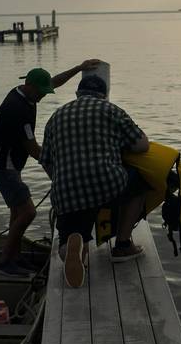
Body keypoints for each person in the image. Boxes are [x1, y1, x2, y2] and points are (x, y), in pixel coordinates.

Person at [0, 59, 100, 277]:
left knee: (17, 212)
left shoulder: (26, 93)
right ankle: (3, 263)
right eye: (41, 92)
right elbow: (33, 148)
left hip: (10, 163)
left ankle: (14, 257)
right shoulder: (17, 108)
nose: (44, 96)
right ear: (29, 85)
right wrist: (59, 169)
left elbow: (53, 82)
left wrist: (78, 68)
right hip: (2, 165)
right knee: (28, 212)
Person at [39, 75, 150, 288]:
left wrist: (65, 182)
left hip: (66, 192)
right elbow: (141, 145)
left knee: (71, 234)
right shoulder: (112, 110)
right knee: (140, 183)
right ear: (104, 95)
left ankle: (72, 247)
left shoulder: (56, 116)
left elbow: (46, 161)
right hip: (106, 184)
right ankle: (123, 245)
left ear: (77, 94)